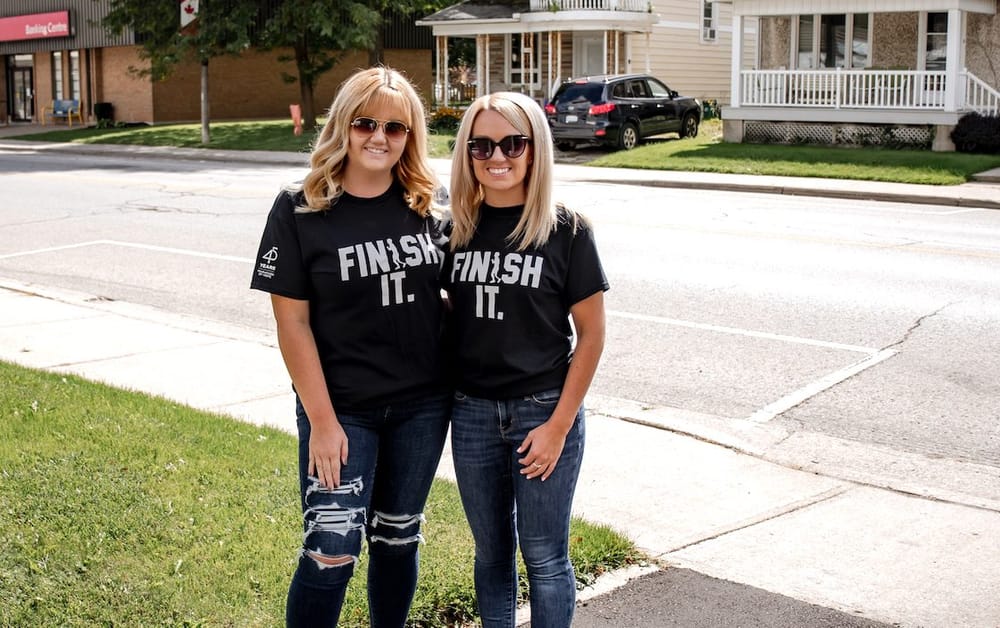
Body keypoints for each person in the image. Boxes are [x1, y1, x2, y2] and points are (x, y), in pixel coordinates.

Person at [250, 66, 450, 628]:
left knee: (398, 538)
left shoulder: (428, 206)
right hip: (341, 411)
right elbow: (292, 325)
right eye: (366, 122)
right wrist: (322, 421)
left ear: (410, 136)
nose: (379, 137)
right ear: (344, 125)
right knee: (331, 545)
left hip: (422, 407)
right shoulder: (299, 208)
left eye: (396, 126)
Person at [444, 91, 609, 628]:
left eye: (513, 143)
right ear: (467, 153)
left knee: (544, 557)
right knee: (491, 556)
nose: (498, 156)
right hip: (470, 414)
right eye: (482, 145)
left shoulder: (568, 230)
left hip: (544, 411)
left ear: (535, 149)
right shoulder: (454, 232)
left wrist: (559, 426)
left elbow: (590, 336)